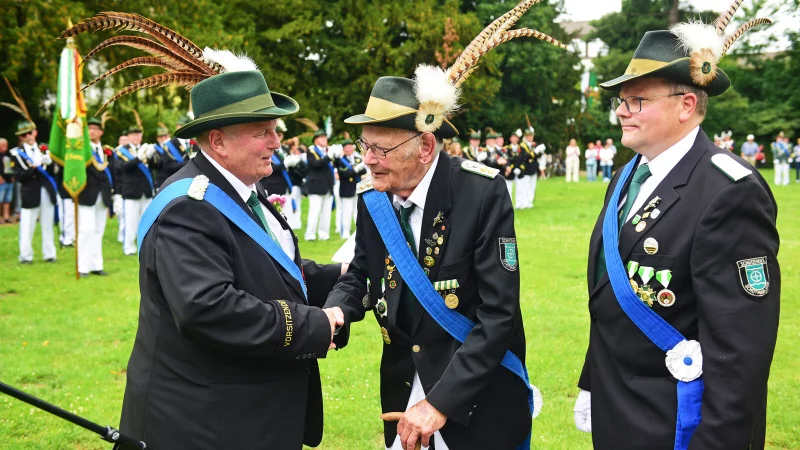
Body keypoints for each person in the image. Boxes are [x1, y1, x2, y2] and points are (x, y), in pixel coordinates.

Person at [63, 13, 348, 450]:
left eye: (275, 130)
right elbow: (208, 307)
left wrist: (342, 274)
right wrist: (315, 324)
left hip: (242, 417)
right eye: (263, 131)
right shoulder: (188, 206)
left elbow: (267, 268)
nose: (276, 142)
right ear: (218, 142)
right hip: (205, 427)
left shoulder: (240, 192)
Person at [325, 5, 566, 449]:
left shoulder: (481, 193)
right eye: (365, 145)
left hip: (477, 400)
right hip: (402, 394)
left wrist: (442, 402)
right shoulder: (372, 197)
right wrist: (337, 309)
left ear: (426, 146)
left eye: (382, 148)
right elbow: (362, 271)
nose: (368, 158)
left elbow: (498, 316)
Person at [576, 9, 780, 450]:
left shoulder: (729, 192)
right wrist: (593, 381)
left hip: (678, 423)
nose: (622, 114)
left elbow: (740, 352)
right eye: (621, 102)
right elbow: (611, 298)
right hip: (619, 410)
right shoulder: (628, 176)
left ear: (687, 105)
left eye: (638, 102)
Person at [10, 121, 58, 263]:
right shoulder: (16, 154)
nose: (27, 137)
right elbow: (19, 176)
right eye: (23, 135)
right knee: (27, 225)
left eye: (29, 133)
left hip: (46, 191)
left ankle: (49, 254)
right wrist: (34, 168)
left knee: (47, 224)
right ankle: (26, 255)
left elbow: (54, 173)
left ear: (35, 132)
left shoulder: (45, 149)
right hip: (30, 192)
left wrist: (49, 164)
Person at [77, 117, 113, 277]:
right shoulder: (82, 150)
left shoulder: (106, 151)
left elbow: (114, 173)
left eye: (95, 129)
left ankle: (96, 265)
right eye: (89, 128)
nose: (92, 131)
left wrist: (115, 194)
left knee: (98, 231)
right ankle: (82, 266)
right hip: (86, 194)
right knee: (86, 230)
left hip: (103, 195)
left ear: (101, 132)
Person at [116, 125, 155, 255]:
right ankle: (129, 248)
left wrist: (152, 156)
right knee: (131, 222)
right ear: (128, 137)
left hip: (146, 190)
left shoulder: (146, 148)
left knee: (148, 220)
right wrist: (139, 158)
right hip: (131, 191)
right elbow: (123, 168)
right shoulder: (122, 151)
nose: (136, 137)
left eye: (138, 134)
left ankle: (146, 246)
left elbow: (157, 166)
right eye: (133, 135)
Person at [259, 119, 299, 229]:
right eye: (278, 134)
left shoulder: (282, 149)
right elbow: (270, 167)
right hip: (272, 185)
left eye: (280, 135)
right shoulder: (270, 149)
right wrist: (284, 164)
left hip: (285, 184)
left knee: (286, 215)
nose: (279, 137)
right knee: (276, 218)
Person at [305, 129, 336, 241]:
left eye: (325, 137)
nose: (324, 139)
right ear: (316, 140)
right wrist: (328, 157)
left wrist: (334, 156)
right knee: (314, 212)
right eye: (321, 137)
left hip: (328, 186)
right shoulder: (311, 150)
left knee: (326, 213)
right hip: (316, 186)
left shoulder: (328, 151)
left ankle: (324, 234)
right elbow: (314, 164)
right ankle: (310, 235)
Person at [334, 139, 367, 238]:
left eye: (350, 147)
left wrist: (353, 171)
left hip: (357, 188)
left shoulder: (357, 159)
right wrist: (355, 170)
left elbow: (364, 171)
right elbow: (343, 173)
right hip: (346, 189)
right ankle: (345, 232)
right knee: (346, 211)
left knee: (357, 212)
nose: (348, 149)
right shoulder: (339, 160)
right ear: (343, 149)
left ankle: (358, 231)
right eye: (346, 147)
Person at [151, 123, 189, 191]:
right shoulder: (154, 149)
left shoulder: (174, 146)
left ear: (168, 136)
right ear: (157, 138)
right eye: (161, 136)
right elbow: (155, 165)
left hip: (176, 180)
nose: (163, 138)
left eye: (165, 136)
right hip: (162, 181)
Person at [284, 138, 307, 230]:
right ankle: (293, 223)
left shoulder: (295, 157)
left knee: (296, 203)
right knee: (292, 204)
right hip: (291, 184)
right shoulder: (288, 157)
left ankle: (297, 223)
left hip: (296, 184)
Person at [0, 138, 14, 223]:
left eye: (6, 145)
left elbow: (9, 168)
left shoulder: (7, 155)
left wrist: (12, 176)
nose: (6, 146)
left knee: (7, 199)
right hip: (2, 181)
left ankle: (6, 216)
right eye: (3, 145)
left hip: (9, 180)